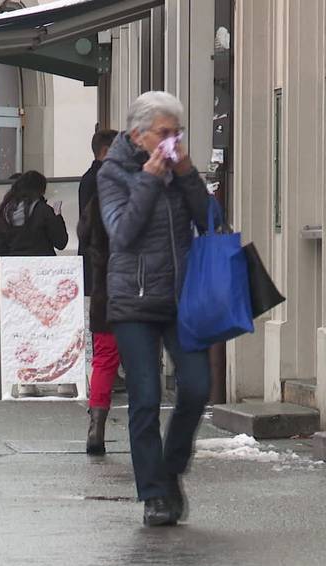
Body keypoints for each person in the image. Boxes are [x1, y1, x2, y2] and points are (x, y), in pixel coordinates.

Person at [97, 91, 211, 527]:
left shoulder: (179, 172)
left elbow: (210, 221)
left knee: (198, 387)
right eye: (164, 133)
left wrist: (186, 173)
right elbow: (122, 234)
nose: (171, 141)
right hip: (134, 302)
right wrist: (148, 178)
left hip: (182, 300)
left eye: (177, 133)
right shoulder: (113, 173)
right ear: (137, 135)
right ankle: (154, 496)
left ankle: (170, 469)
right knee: (145, 397)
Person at [0, 171, 70, 397]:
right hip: (45, 277)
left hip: (17, 280)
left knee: (25, 330)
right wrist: (58, 216)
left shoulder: (4, 214)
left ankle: (26, 382)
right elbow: (61, 242)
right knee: (53, 328)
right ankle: (61, 381)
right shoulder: (44, 211)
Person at [78, 181, 119, 455]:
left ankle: (96, 428)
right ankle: (146, 430)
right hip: (139, 295)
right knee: (143, 364)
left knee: (103, 362)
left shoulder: (99, 200)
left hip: (104, 294)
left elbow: (83, 233)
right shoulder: (145, 196)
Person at [78, 129, 119, 295]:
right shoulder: (103, 178)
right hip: (102, 256)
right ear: (106, 151)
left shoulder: (90, 177)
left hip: (95, 255)